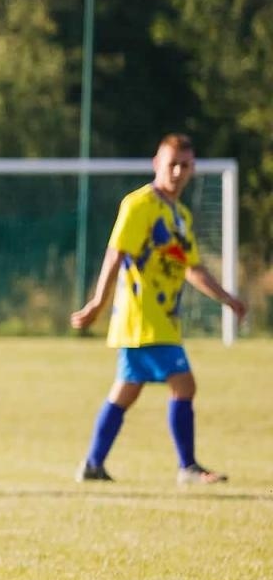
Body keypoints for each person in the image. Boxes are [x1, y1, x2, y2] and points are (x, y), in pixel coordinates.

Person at [71, 133, 247, 485]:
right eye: (172, 164)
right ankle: (188, 467)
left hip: (163, 319)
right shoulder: (139, 206)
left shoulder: (179, 215)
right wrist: (97, 304)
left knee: (126, 391)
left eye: (186, 165)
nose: (179, 171)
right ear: (157, 164)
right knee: (185, 386)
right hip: (142, 318)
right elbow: (115, 255)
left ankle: (92, 465)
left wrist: (226, 298)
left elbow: (192, 269)